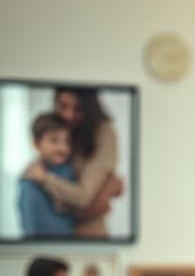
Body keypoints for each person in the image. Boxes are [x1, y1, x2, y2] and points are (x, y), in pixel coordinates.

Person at [19, 88, 123, 238]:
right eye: (63, 106)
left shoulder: (103, 133)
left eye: (78, 109)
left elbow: (82, 196)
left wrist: (46, 179)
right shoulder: (33, 177)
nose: (68, 115)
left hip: (88, 236)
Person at [18, 114, 77, 238]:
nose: (62, 147)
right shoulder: (27, 178)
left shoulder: (69, 173)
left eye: (67, 141)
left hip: (66, 245)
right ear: (36, 143)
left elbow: (70, 206)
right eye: (54, 140)